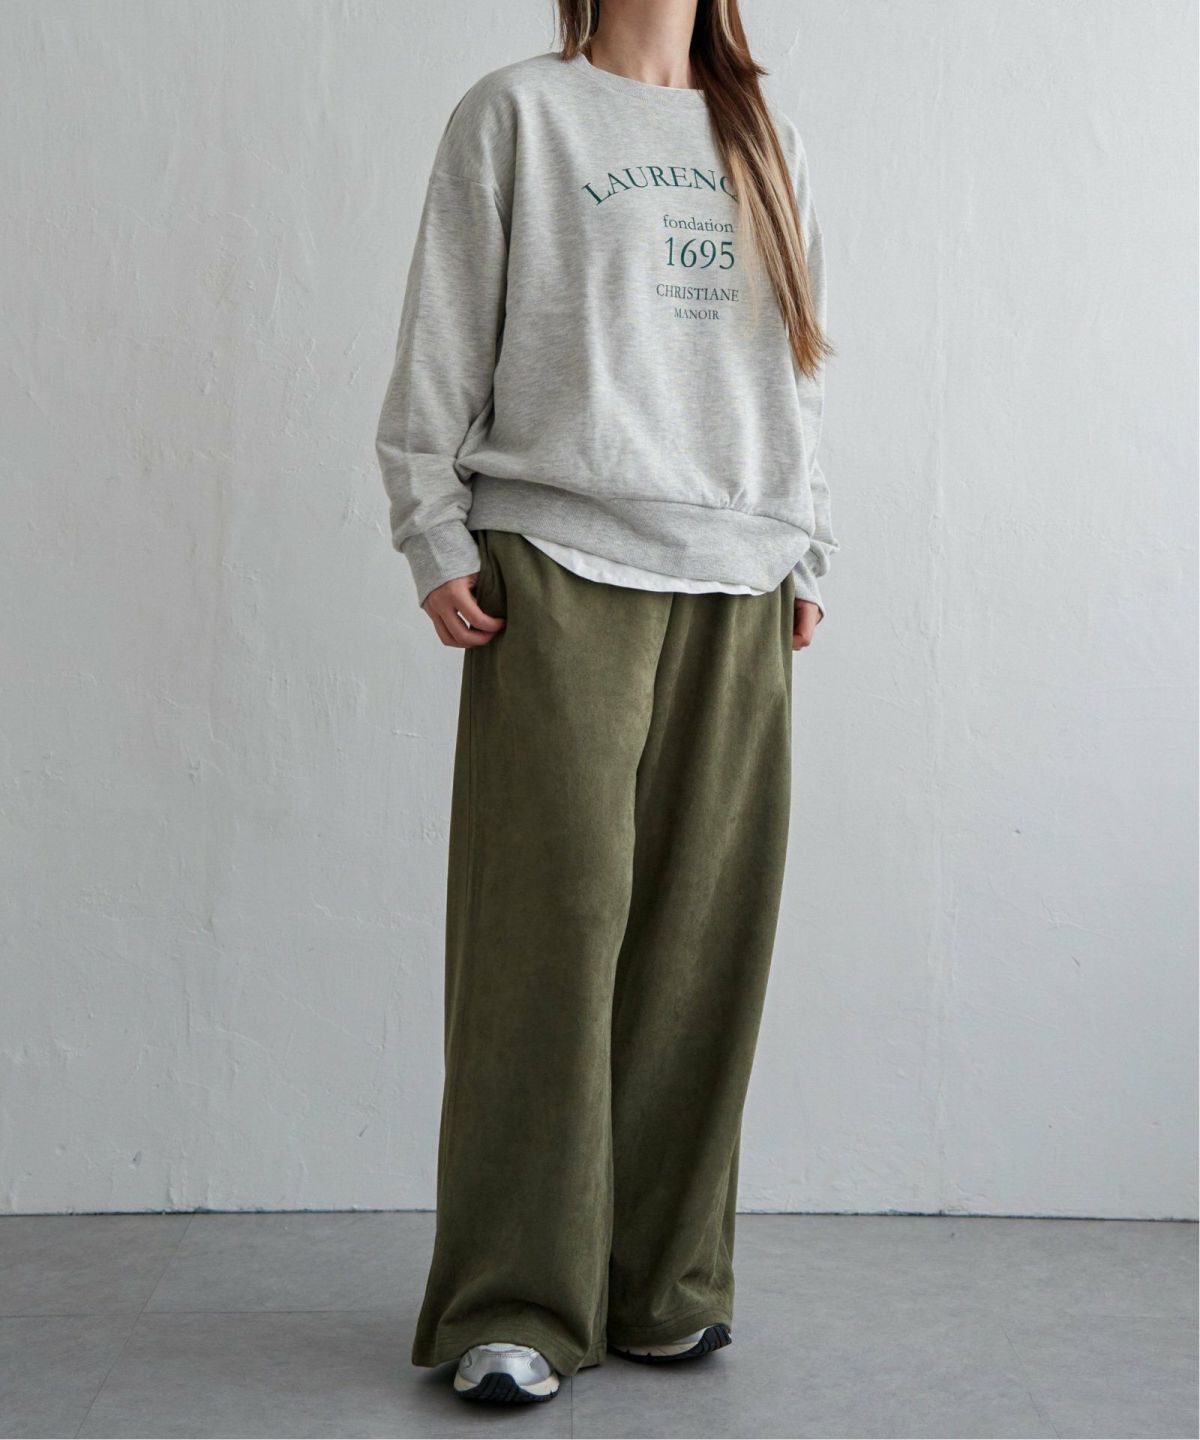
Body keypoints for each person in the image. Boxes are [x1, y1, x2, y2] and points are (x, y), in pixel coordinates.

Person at [375, 0, 838, 1406]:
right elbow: (444, 332)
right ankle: (515, 1296)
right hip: (559, 556)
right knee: (547, 932)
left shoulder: (764, 136)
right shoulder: (519, 112)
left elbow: (796, 367)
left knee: (705, 937)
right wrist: (432, 529)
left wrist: (808, 543)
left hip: (739, 569)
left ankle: (662, 1282)